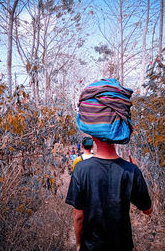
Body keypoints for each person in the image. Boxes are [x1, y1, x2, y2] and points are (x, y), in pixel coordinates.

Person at [65, 78, 152, 251]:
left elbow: (78, 216)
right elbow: (147, 210)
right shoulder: (131, 171)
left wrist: (79, 244)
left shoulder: (81, 169)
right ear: (119, 132)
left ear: (92, 133)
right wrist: (135, 171)